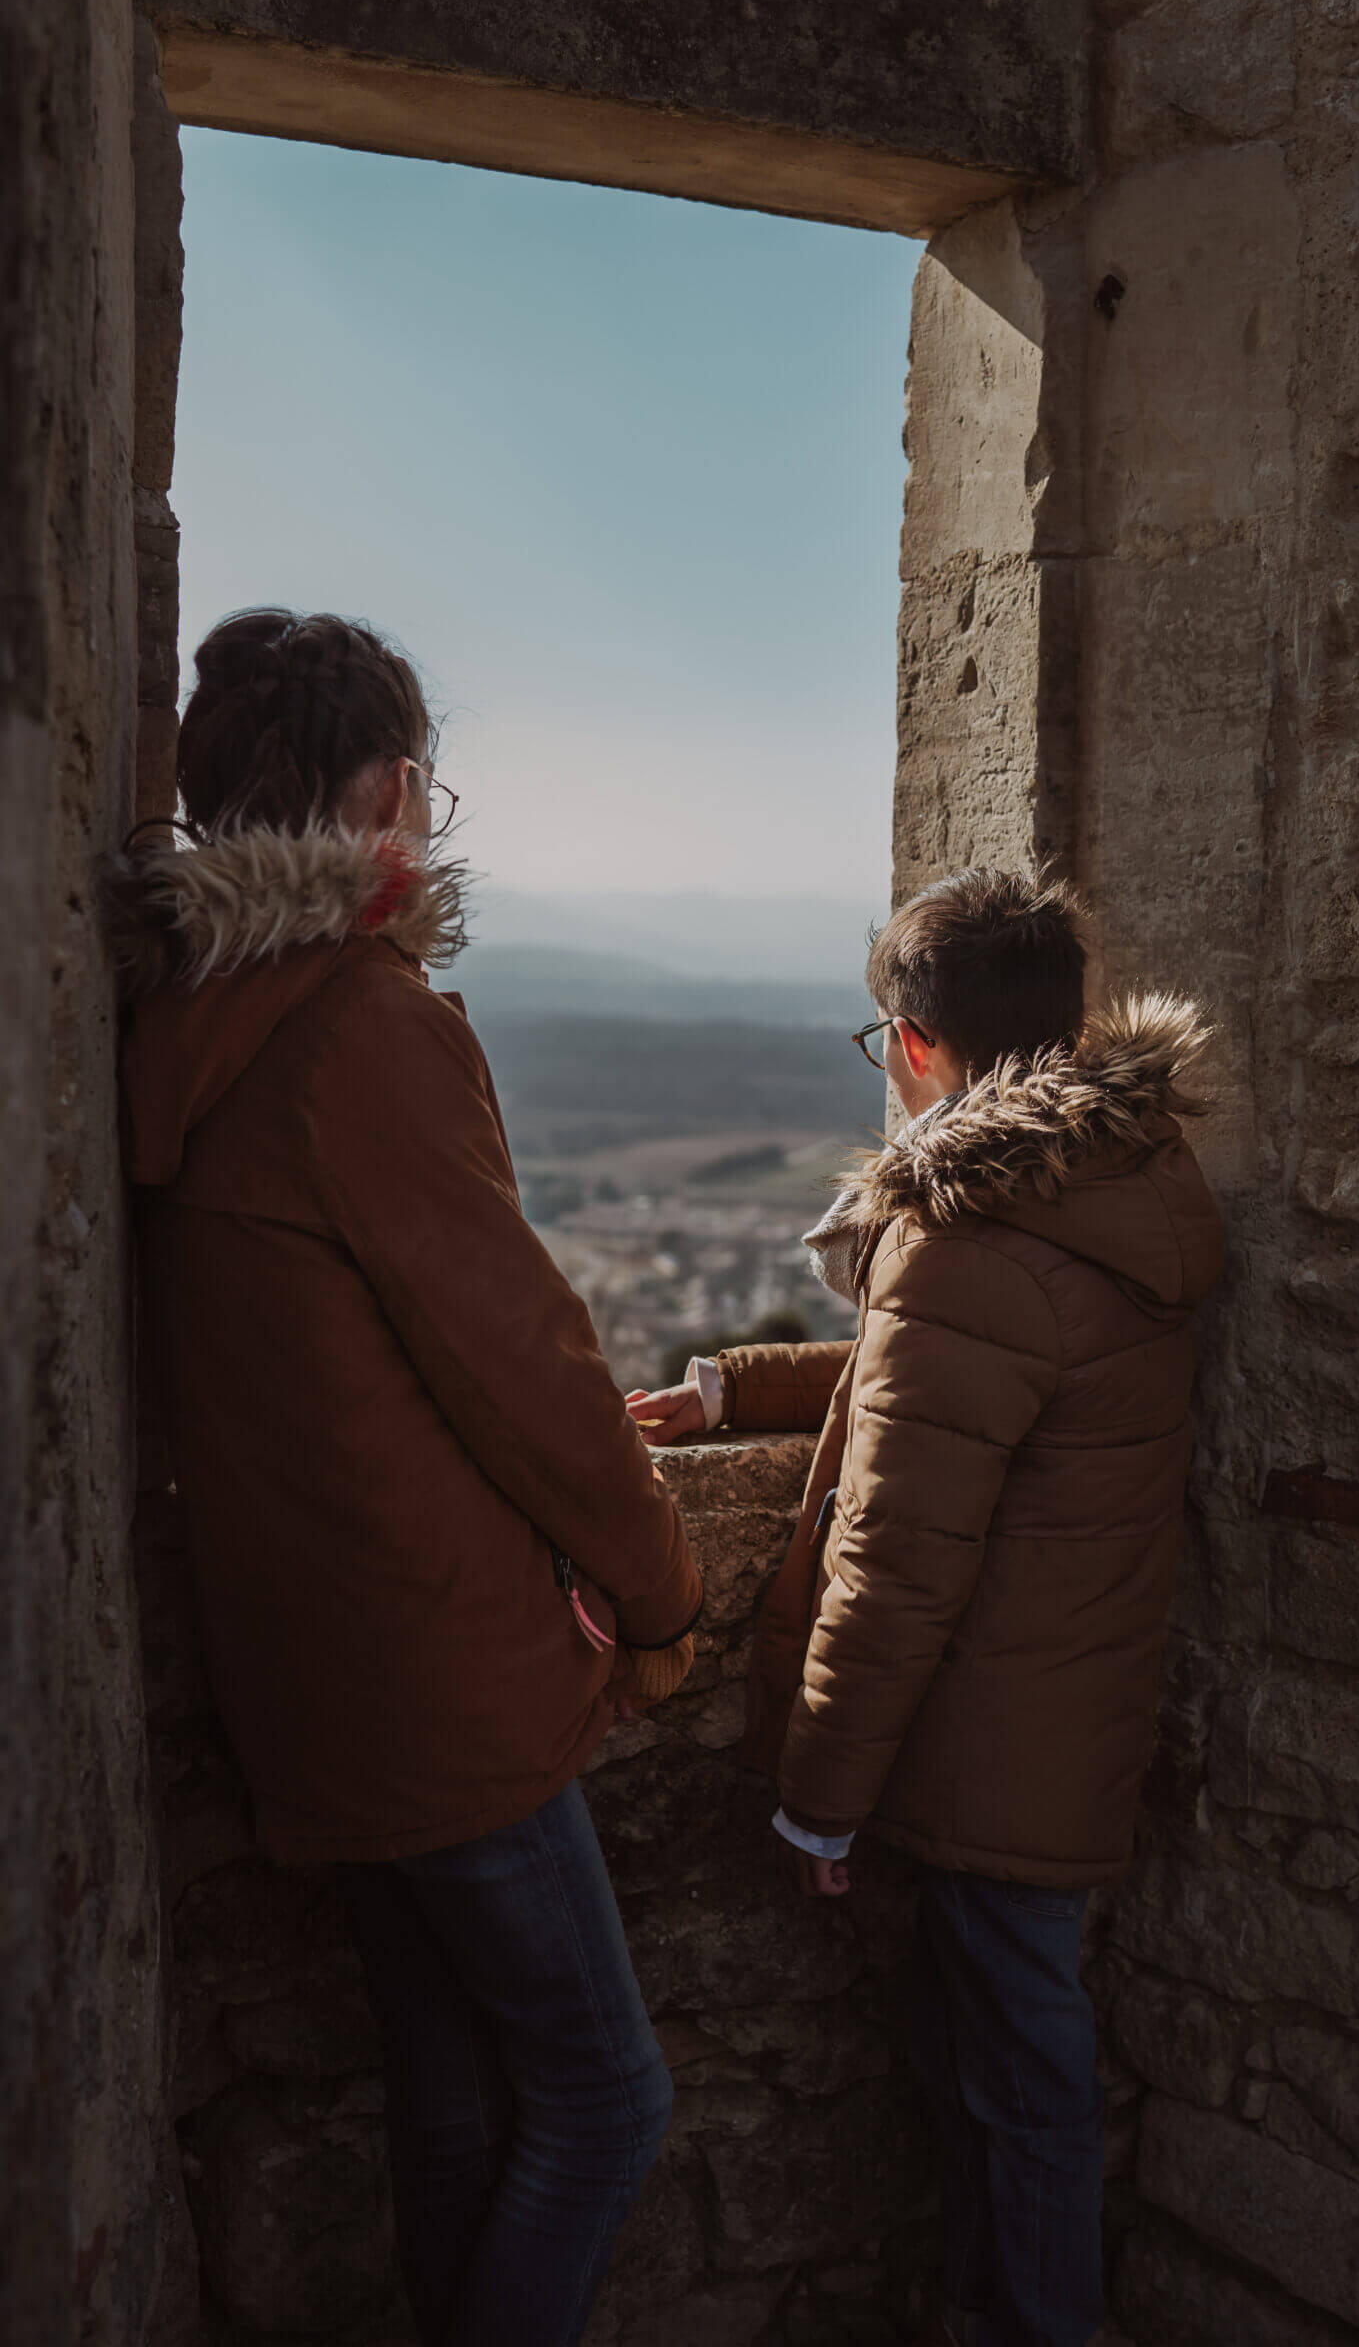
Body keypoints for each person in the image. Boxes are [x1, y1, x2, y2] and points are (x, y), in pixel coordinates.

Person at [110, 609, 702, 2347]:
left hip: (308, 1673)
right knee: (606, 2099)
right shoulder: (360, 1024)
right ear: (380, 794)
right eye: (422, 782)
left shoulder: (193, 1019)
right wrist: (661, 1585)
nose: (429, 813)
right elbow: (517, 1361)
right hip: (437, 1674)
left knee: (452, 2090)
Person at [631, 869, 1223, 2347]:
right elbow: (974, 1378)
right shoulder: (1118, 1181)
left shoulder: (972, 1236)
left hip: (983, 1747)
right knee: (1011, 2079)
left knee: (1013, 2089)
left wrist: (819, 1798)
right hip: (1063, 1716)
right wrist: (738, 1387)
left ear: (914, 1045)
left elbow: (895, 1556)